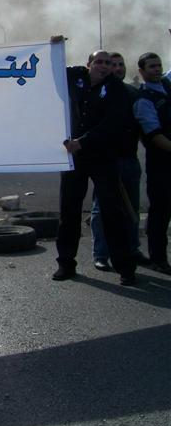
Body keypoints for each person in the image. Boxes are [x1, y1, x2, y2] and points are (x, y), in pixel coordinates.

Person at [54, 50, 136, 285]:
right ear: (89, 64)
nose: (104, 66)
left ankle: (125, 267)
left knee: (112, 212)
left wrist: (83, 141)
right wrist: (54, 45)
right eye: (99, 62)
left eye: (108, 63)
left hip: (103, 157)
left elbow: (112, 123)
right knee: (69, 211)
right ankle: (66, 263)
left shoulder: (116, 88)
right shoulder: (76, 76)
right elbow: (52, 66)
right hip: (74, 158)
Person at [88, 52, 147, 271]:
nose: (117, 68)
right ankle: (101, 254)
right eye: (112, 64)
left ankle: (132, 249)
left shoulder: (133, 93)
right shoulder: (98, 93)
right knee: (101, 210)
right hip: (105, 160)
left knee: (132, 207)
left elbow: (143, 125)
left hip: (129, 158)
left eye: (121, 64)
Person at [133, 52, 171, 275]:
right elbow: (154, 134)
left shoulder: (166, 85)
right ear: (142, 71)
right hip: (161, 162)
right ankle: (158, 258)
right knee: (161, 211)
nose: (156, 69)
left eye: (158, 65)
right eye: (151, 67)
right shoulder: (144, 99)